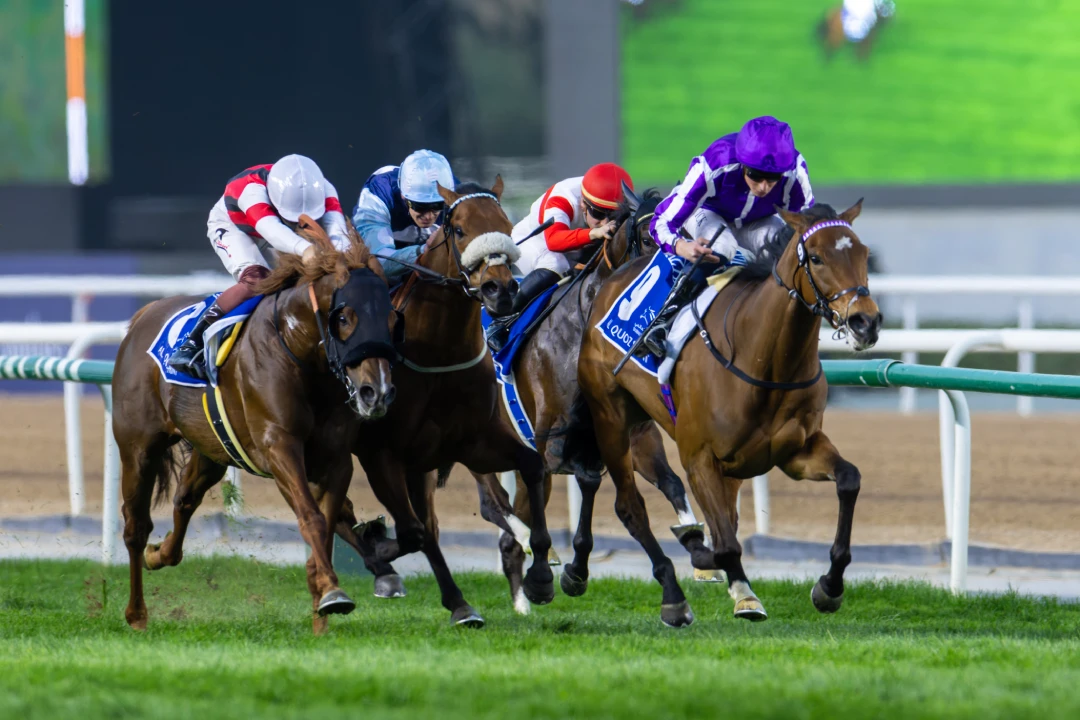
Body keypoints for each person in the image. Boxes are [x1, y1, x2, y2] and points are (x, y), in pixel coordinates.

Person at [642, 115, 814, 357]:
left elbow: (808, 226)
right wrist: (682, 246)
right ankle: (663, 322)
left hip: (757, 219)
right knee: (722, 247)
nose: (764, 186)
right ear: (743, 163)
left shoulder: (795, 170)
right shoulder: (715, 162)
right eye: (755, 175)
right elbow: (660, 221)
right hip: (708, 211)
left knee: (784, 248)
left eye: (772, 178)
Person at [169, 154, 350, 380]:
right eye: (292, 217)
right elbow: (271, 230)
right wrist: (305, 249)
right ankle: (192, 342)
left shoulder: (324, 189)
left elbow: (338, 233)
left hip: (280, 231)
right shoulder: (251, 191)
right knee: (258, 281)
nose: (296, 221)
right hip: (237, 226)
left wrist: (343, 259)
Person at [485, 162, 633, 351]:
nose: (604, 222)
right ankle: (501, 320)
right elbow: (553, 240)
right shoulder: (565, 196)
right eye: (598, 213)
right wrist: (593, 234)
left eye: (612, 215)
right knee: (556, 264)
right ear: (583, 204)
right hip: (535, 241)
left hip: (574, 246)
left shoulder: (604, 203)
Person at [352, 149, 456, 284]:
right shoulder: (379, 194)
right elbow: (380, 262)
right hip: (379, 255)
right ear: (403, 196)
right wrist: (424, 251)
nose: (429, 216)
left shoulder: (453, 193)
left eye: (437, 205)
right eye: (421, 206)